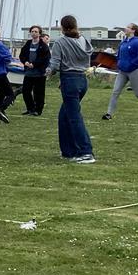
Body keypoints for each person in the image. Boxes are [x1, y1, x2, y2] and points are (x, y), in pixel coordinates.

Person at [46, 15, 95, 164]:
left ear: (62, 27)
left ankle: (86, 152)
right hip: (82, 80)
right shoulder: (84, 41)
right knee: (64, 116)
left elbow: (54, 64)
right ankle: (69, 151)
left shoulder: (61, 43)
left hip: (70, 80)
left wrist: (48, 73)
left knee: (74, 117)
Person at [102, 23, 138, 121]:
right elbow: (119, 55)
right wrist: (119, 63)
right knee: (115, 92)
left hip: (135, 71)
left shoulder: (137, 42)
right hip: (122, 72)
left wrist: (131, 64)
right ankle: (108, 114)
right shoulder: (123, 42)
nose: (125, 28)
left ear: (133, 30)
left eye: (128, 27)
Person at [18, 25, 51, 116]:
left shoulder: (43, 46)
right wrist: (25, 62)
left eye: (36, 31)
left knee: (38, 93)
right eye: (32, 31)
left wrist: (35, 64)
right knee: (26, 91)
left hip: (39, 73)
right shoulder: (28, 43)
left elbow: (45, 59)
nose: (34, 33)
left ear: (39, 34)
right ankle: (30, 108)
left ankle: (38, 110)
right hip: (29, 73)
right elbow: (22, 55)